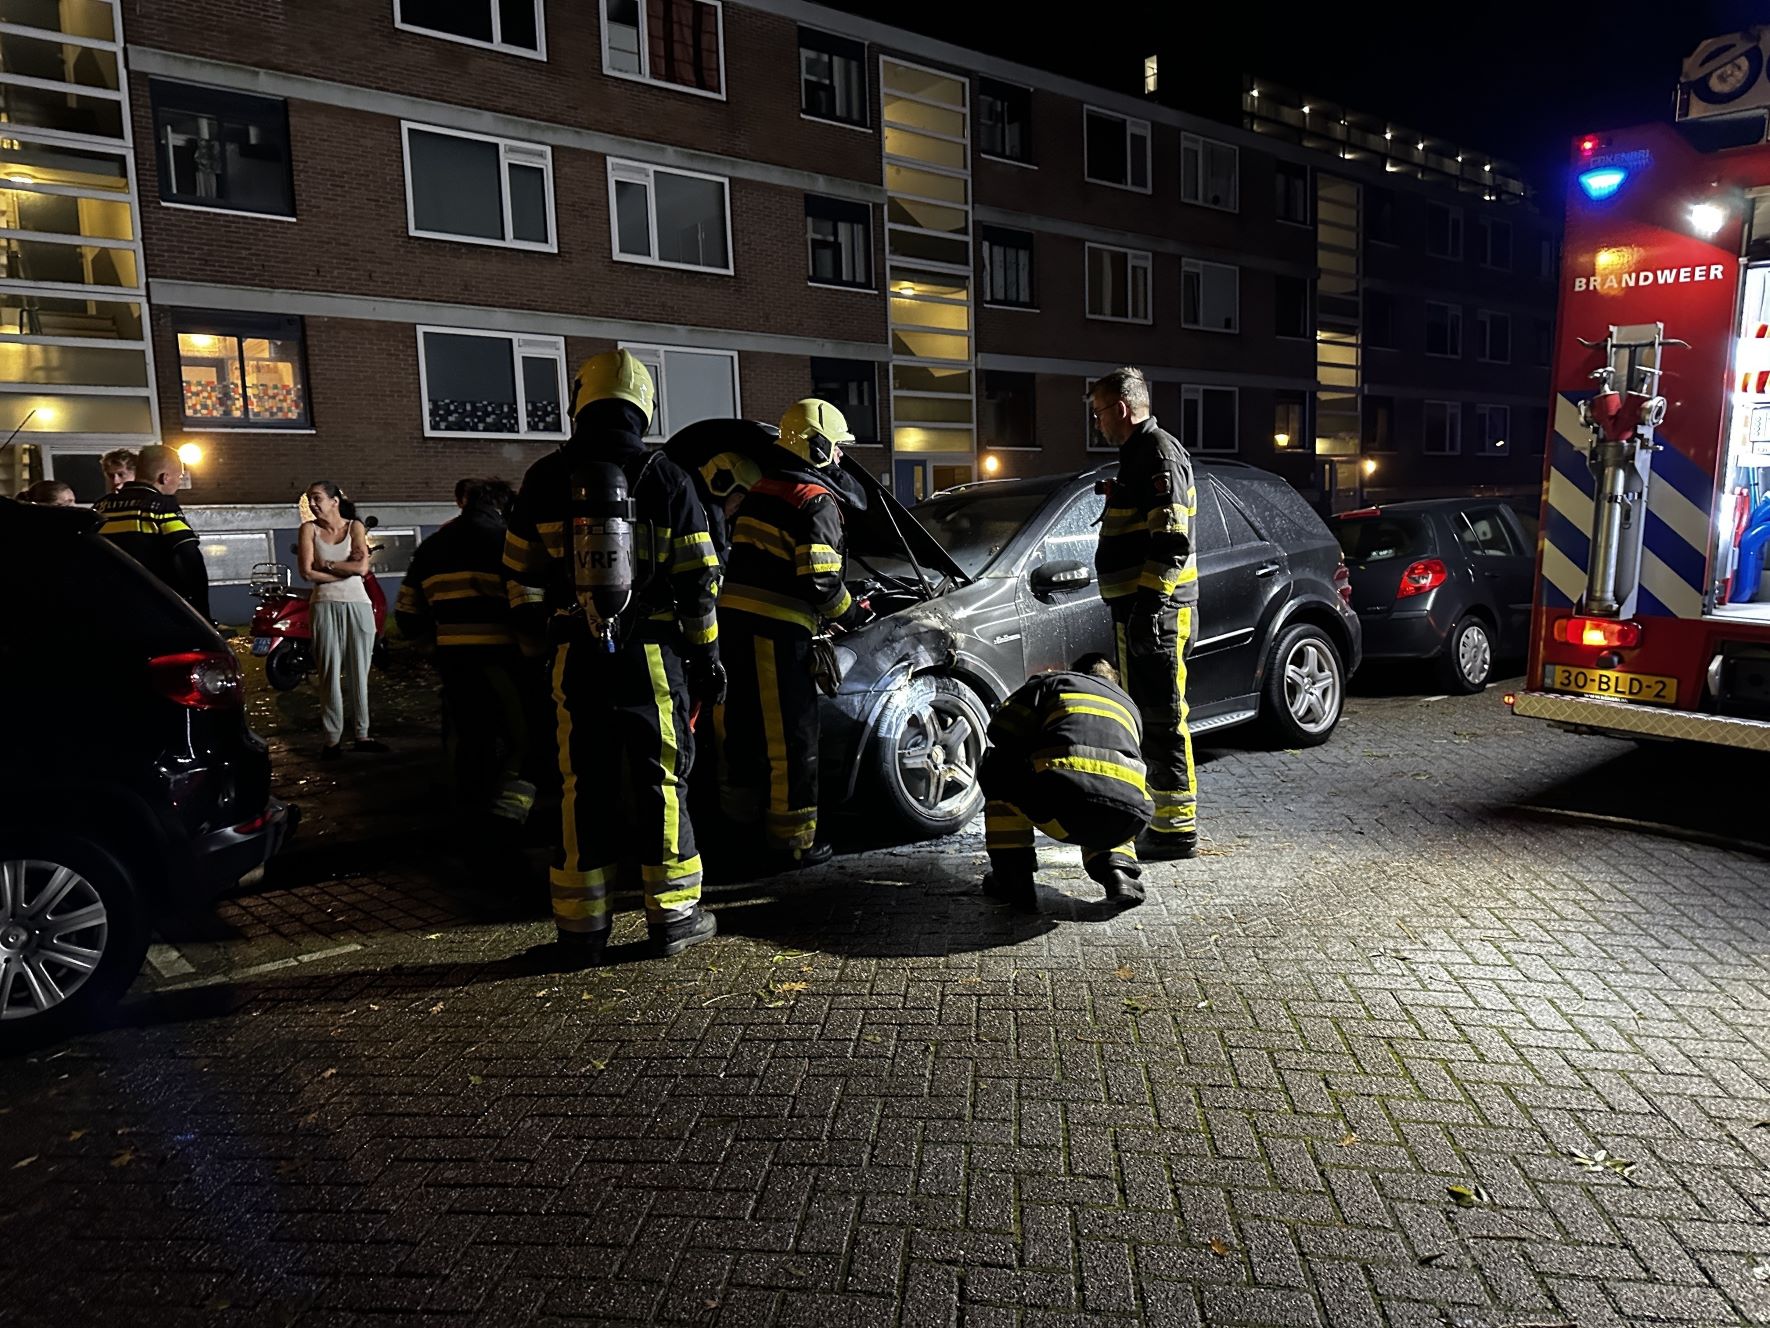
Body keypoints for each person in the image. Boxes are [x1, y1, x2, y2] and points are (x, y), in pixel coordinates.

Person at [504, 350, 723, 966]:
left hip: (573, 657)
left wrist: (541, 641)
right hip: (652, 656)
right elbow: (698, 581)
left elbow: (519, 577)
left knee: (581, 785)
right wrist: (706, 657)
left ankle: (581, 927)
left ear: (581, 402)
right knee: (663, 781)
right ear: (642, 406)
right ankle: (674, 917)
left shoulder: (545, 478)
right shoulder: (668, 477)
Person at [717, 398, 866, 870]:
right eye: (837, 447)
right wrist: (851, 614)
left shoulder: (762, 488)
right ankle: (793, 842)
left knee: (743, 732)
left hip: (734, 629)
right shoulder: (814, 500)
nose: (840, 457)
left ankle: (738, 828)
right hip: (775, 633)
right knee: (792, 739)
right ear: (817, 447)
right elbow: (820, 581)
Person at [1089, 366, 1199, 861]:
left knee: (1162, 717)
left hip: (1156, 612)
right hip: (1139, 610)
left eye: (1099, 413)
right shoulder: (1139, 455)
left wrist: (1149, 608)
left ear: (1122, 408)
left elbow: (1172, 540)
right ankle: (1160, 817)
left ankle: (1176, 829)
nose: (1097, 423)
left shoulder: (1157, 452)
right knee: (1150, 716)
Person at [396, 479, 537, 829]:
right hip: (503, 658)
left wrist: (433, 647)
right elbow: (527, 606)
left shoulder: (432, 546)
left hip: (453, 659)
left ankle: (468, 806)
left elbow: (407, 612)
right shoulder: (505, 543)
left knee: (468, 733)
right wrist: (534, 649)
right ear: (504, 507)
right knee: (525, 732)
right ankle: (507, 813)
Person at [980, 653, 1154, 912]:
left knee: (997, 766)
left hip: (1064, 807)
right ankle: (1119, 872)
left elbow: (1001, 730)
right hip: (1129, 821)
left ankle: (1012, 879)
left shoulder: (1054, 682)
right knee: (1108, 787)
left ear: (1074, 671)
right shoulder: (1129, 706)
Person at [298, 480, 386, 759]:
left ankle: (362, 734)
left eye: (317, 498)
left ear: (334, 501)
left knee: (359, 671)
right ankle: (332, 740)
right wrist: (343, 571)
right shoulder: (308, 530)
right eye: (309, 499)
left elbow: (361, 568)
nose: (312, 504)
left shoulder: (355, 527)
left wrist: (327, 565)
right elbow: (307, 572)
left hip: (358, 604)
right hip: (323, 605)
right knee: (328, 672)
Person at [92, 442, 210, 620]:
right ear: (164, 478)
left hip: (107, 602)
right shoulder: (161, 505)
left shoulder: (101, 506)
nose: (179, 482)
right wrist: (202, 611)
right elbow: (188, 553)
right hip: (153, 604)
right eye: (179, 477)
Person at [662, 418, 776, 568]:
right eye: (739, 499)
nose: (739, 509)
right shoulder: (703, 527)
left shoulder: (719, 528)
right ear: (721, 486)